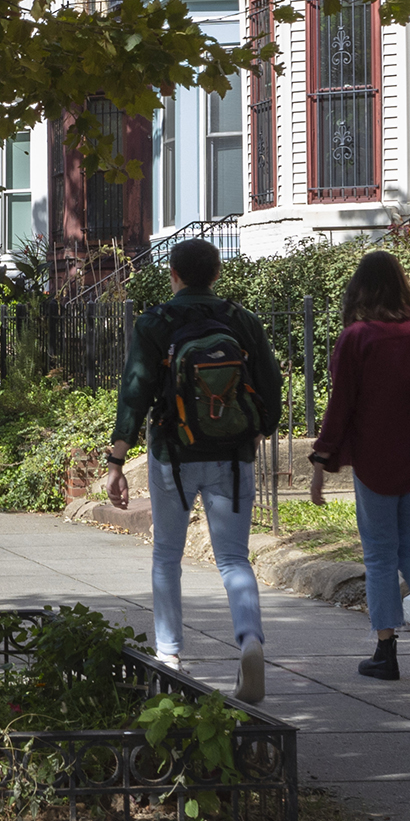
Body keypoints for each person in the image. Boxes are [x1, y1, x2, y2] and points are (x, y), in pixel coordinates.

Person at [105, 237, 281, 703]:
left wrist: (117, 461)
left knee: (167, 555)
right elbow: (270, 383)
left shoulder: (155, 322)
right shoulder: (241, 321)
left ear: (174, 275)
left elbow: (135, 390)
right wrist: (257, 429)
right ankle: (250, 641)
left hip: (174, 458)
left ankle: (170, 656)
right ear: (217, 273)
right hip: (232, 456)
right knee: (233, 559)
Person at [307, 249, 410, 682]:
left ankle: (385, 653)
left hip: (376, 459)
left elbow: (341, 406)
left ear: (359, 287)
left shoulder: (357, 337)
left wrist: (322, 460)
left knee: (378, 556)